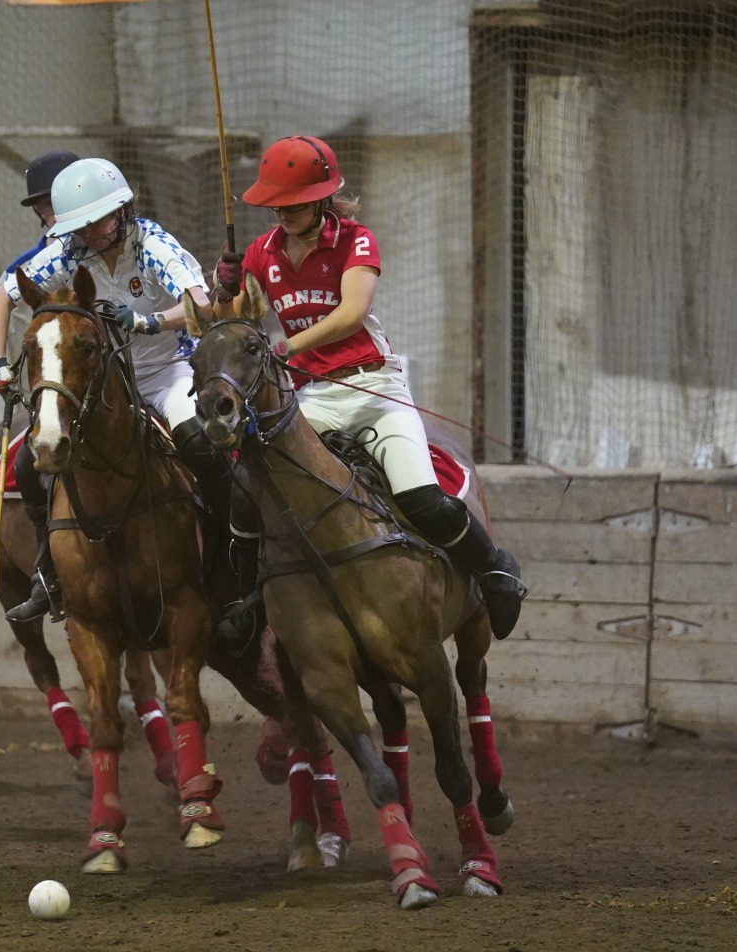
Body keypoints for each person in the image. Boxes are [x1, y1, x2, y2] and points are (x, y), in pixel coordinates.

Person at [217, 135, 525, 639]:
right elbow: (229, 318)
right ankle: (248, 598)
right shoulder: (261, 252)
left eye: (293, 203)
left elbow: (351, 313)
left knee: (421, 496)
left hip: (372, 389)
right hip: (311, 398)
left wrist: (285, 349)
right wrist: (223, 286)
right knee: (248, 489)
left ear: (321, 198)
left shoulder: (356, 239)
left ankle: (495, 569)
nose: (282, 213)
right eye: (276, 204)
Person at [0, 157, 226, 624]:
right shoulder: (67, 253)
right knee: (30, 464)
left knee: (197, 440)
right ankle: (48, 573)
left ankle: (230, 550)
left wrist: (147, 321)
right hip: (101, 381)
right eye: (82, 226)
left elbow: (201, 305)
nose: (91, 233)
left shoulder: (151, 244)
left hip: (168, 370)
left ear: (121, 211)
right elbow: (2, 298)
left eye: (98, 222)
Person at [0, 149, 79, 323]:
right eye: (49, 203)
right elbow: (2, 337)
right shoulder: (20, 269)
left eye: (68, 197)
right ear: (38, 211)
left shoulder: (112, 243)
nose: (60, 208)